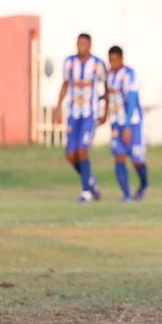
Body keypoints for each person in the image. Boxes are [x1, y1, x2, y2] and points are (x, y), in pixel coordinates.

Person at [54, 33, 108, 202]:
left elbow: (106, 87)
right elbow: (65, 84)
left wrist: (105, 112)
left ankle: (86, 191)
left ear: (90, 45)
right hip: (73, 113)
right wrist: (58, 108)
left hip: (89, 113)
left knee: (82, 150)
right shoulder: (69, 62)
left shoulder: (98, 64)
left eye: (84, 44)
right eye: (79, 43)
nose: (81, 47)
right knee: (71, 155)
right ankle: (90, 179)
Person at [107, 45, 148, 201]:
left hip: (132, 123)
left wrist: (128, 126)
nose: (113, 63)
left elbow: (131, 100)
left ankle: (144, 183)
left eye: (115, 60)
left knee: (137, 160)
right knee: (119, 156)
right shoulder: (109, 75)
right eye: (110, 60)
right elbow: (107, 96)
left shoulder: (130, 74)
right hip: (116, 122)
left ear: (121, 59)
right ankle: (127, 195)